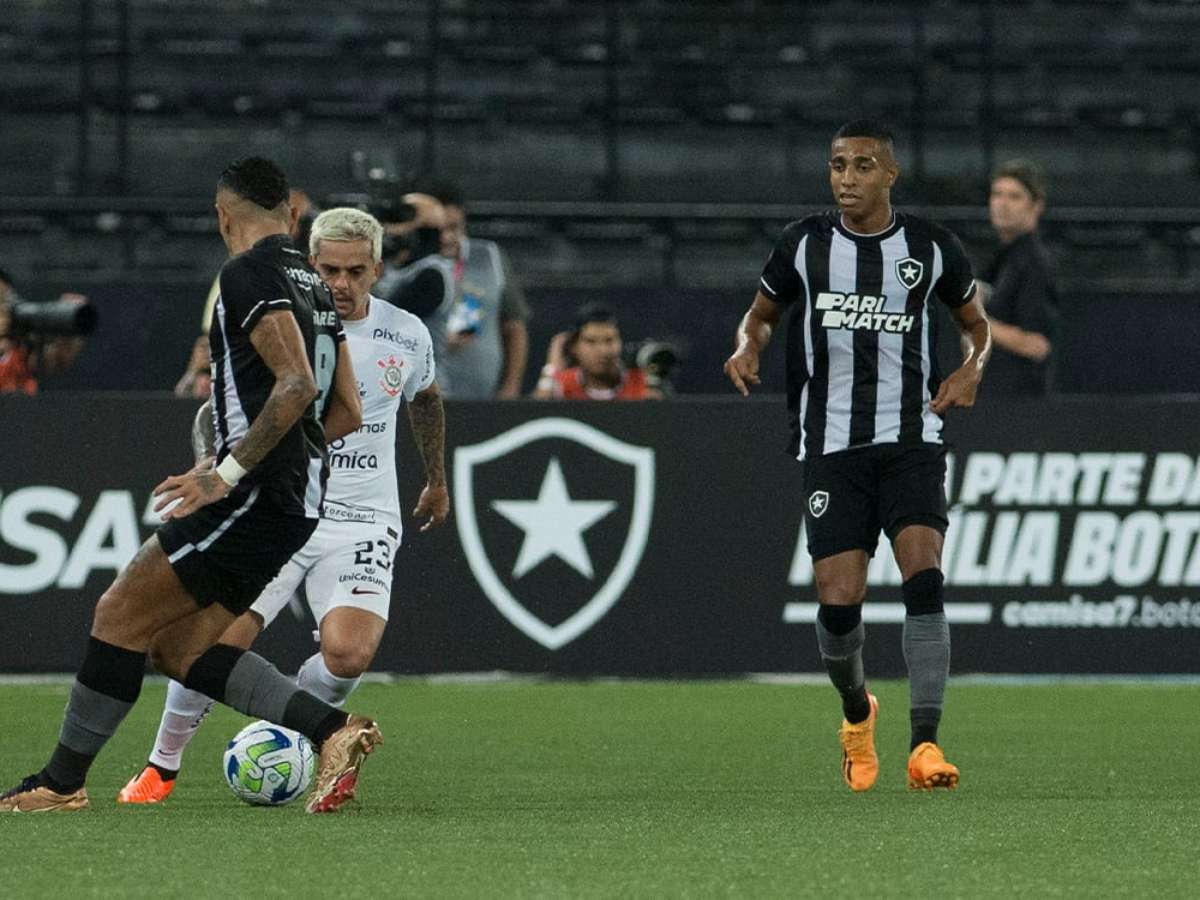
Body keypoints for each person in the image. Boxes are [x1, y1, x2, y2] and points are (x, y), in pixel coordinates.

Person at [1, 158, 380, 815]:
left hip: (258, 491)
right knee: (180, 647)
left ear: (222, 215)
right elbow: (345, 408)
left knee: (119, 613)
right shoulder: (314, 286)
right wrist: (293, 462)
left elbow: (298, 385)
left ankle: (60, 784)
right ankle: (335, 730)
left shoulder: (247, 272)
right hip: (295, 497)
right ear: (292, 213)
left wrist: (226, 473)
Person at [116, 206, 448, 804]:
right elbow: (221, 409)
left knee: (348, 655)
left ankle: (299, 729)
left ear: (376, 268)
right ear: (308, 266)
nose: (341, 285)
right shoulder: (275, 326)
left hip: (364, 516)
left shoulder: (408, 333)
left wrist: (436, 480)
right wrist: (215, 467)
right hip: (278, 509)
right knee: (211, 645)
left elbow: (425, 400)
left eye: (355, 271)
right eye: (328, 271)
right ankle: (160, 767)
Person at [724, 120, 992, 793]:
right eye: (838, 165)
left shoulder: (930, 248)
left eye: (863, 166)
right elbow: (760, 312)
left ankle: (926, 746)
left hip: (912, 438)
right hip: (831, 444)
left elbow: (975, 326)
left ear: (890, 175)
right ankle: (856, 713)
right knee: (838, 601)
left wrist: (971, 369)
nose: (847, 178)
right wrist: (749, 343)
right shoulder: (805, 244)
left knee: (922, 572)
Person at [174, 189, 317, 399]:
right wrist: (194, 374)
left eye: (297, 221)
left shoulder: (317, 278)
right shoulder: (235, 273)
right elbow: (208, 346)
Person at [434, 184, 531, 399]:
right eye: (439, 229)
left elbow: (515, 327)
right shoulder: (410, 263)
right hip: (424, 399)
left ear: (464, 222)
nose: (447, 237)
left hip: (483, 398)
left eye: (454, 227)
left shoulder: (490, 257)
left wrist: (510, 388)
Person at [978, 159, 1058, 396]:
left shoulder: (1033, 262)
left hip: (1019, 407)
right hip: (992, 398)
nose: (1002, 204)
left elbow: (1036, 345)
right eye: (997, 194)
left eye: (1014, 197)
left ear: (1036, 206)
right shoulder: (1003, 256)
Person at [373, 192, 459, 394]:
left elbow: (383, 319)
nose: (390, 231)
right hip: (387, 384)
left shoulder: (431, 275)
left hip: (421, 392)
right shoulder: (394, 269)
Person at [533, 303, 661, 400]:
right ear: (574, 347)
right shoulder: (562, 384)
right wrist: (551, 368)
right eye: (591, 341)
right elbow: (536, 415)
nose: (602, 351)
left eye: (609, 340)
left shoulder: (641, 382)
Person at [0, 267, 88, 394]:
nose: (3, 309)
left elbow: (57, 360)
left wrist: (71, 327)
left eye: (4, 301)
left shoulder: (20, 349)